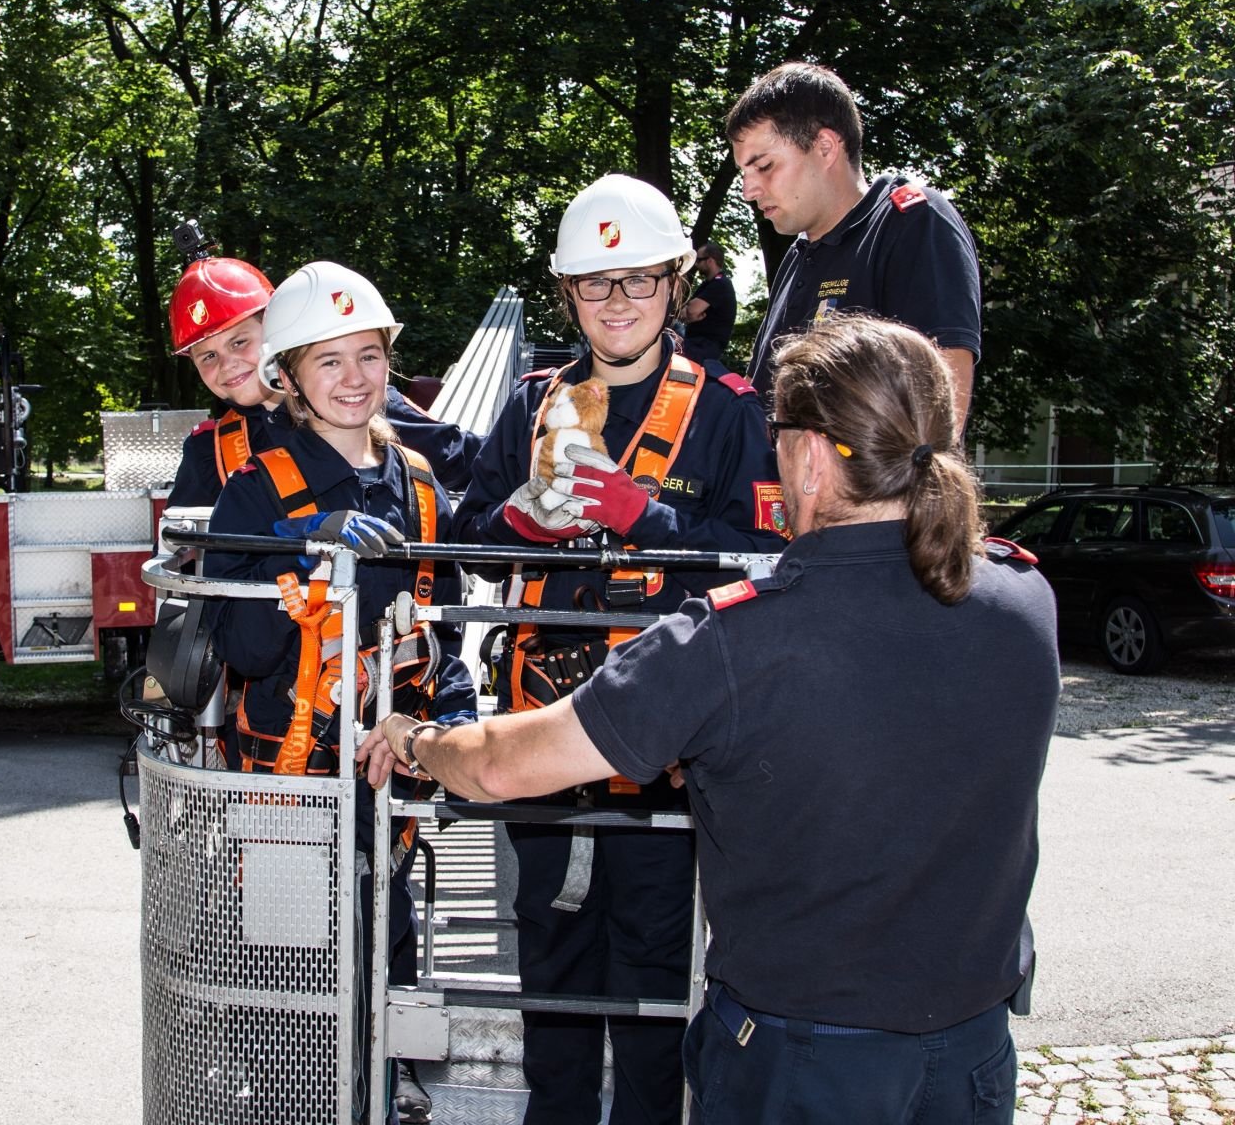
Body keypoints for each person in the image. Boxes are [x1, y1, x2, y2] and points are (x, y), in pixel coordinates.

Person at [362, 314, 1060, 1125]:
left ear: (808, 457)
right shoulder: (1025, 600)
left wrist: (414, 736)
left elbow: (498, 767)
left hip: (801, 1058)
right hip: (973, 1050)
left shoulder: (735, 642)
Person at [451, 173, 788, 1125]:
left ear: (675, 283)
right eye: (595, 283)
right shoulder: (532, 403)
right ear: (568, 294)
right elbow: (467, 535)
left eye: (638, 279)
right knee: (551, 952)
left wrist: (653, 519)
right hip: (544, 721)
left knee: (650, 962)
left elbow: (770, 558)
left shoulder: (727, 410)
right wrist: (517, 527)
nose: (617, 301)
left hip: (668, 738)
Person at [203, 260, 476, 1125]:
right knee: (289, 992)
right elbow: (244, 650)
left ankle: (386, 1090)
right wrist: (303, 549)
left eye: (370, 355)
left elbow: (437, 636)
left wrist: (452, 726)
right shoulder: (253, 494)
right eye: (329, 361)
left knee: (386, 953)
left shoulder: (420, 488)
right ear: (286, 377)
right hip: (290, 788)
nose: (355, 379)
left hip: (385, 779)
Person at [727, 62, 981, 431]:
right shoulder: (800, 254)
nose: (748, 191)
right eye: (744, 173)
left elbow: (942, 406)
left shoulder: (911, 223)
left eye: (764, 166)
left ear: (825, 147)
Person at [165, 251, 480, 509]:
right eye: (208, 356)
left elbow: (471, 462)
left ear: (274, 330)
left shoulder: (362, 401)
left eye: (239, 342)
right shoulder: (210, 451)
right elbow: (179, 549)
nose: (227, 365)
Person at [676, 242, 737, 363]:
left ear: (710, 261)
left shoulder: (721, 284)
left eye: (699, 260)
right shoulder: (708, 284)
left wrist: (690, 311)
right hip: (696, 343)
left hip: (703, 346)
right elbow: (685, 312)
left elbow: (691, 310)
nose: (696, 264)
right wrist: (690, 312)